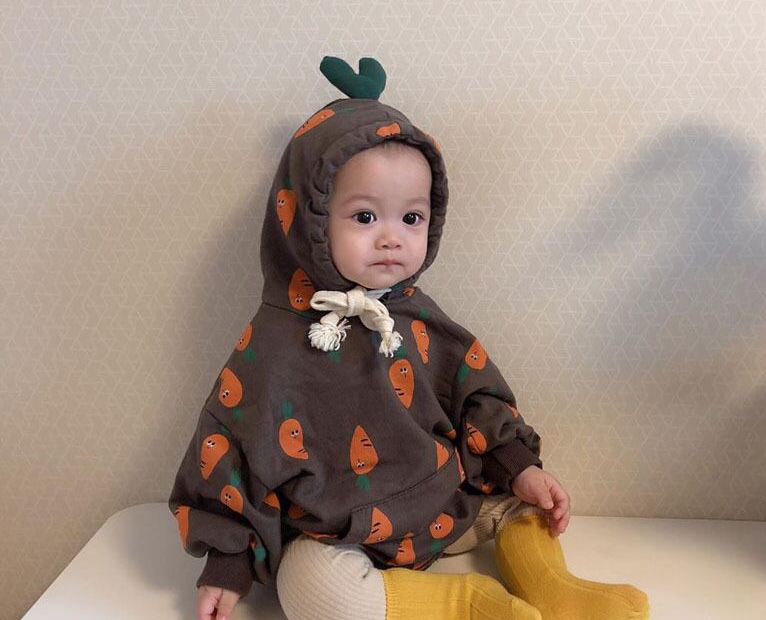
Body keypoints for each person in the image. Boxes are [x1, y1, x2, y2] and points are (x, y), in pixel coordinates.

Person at [169, 56, 649, 620]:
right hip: (339, 534)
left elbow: (473, 393)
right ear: (307, 219)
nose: (391, 239)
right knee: (309, 591)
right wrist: (227, 564)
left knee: (521, 506)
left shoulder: (418, 317)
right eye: (365, 217)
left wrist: (520, 465)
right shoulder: (273, 345)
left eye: (412, 219)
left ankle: (553, 587)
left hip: (445, 501)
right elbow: (230, 446)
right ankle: (466, 604)